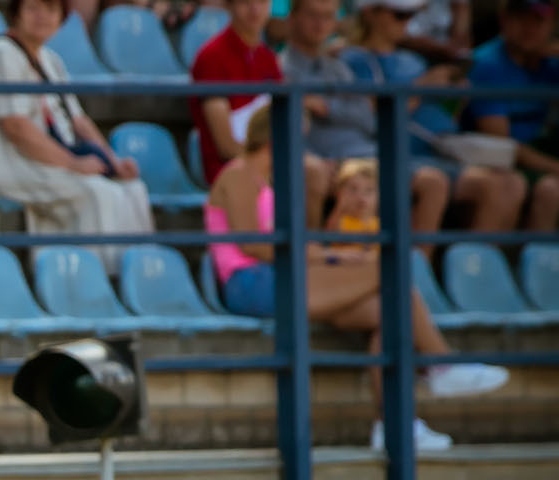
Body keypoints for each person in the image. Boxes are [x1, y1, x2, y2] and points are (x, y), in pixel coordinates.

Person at [207, 103, 507, 448]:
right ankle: (440, 365)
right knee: (386, 268)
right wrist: (331, 254)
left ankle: (395, 425)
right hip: (251, 283)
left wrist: (328, 255)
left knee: (390, 312)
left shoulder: (266, 181)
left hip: (279, 275)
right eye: (299, 139)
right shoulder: (239, 172)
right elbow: (255, 247)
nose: (303, 148)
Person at [315, 0, 535, 237]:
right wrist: (422, 88)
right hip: (399, 155)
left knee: (511, 184)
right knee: (434, 183)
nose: (406, 23)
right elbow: (368, 118)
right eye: (399, 15)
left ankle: (475, 268)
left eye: (411, 16)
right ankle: (417, 268)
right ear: (370, 15)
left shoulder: (415, 61)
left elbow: (444, 116)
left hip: (441, 151)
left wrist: (454, 95)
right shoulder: (351, 60)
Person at [0, 0, 152, 251]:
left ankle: (133, 278)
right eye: (33, 8)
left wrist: (112, 161)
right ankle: (95, 277)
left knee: (132, 189)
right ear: (15, 15)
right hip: (3, 162)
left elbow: (79, 122)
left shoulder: (51, 60)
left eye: (51, 10)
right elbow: (16, 127)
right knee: (97, 193)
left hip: (45, 159)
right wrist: (73, 164)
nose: (42, 16)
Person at [190, 0, 332, 208]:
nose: (255, 10)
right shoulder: (211, 56)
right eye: (245, 3)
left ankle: (308, 241)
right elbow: (226, 146)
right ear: (230, 6)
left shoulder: (267, 57)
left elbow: (287, 123)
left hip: (269, 161)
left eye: (261, 2)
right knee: (312, 172)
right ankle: (300, 241)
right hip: (232, 168)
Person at [466, 0, 559, 227]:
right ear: (504, 19)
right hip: (494, 160)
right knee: (552, 190)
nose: (529, 28)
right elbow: (502, 144)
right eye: (521, 18)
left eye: (537, 20)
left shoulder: (551, 62)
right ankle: (539, 261)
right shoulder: (487, 64)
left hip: (540, 150)